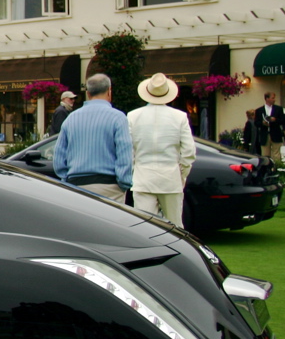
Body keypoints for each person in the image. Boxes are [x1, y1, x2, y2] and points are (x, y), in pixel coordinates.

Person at [126, 73, 196, 226]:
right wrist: (181, 174)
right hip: (170, 179)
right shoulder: (179, 117)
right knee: (175, 227)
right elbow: (189, 152)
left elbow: (129, 151)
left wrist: (133, 171)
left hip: (143, 178)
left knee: (144, 227)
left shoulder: (133, 116)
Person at [53, 73, 133, 203]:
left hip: (76, 184)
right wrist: (124, 183)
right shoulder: (118, 118)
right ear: (109, 91)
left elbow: (59, 157)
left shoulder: (71, 118)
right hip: (109, 185)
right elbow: (124, 154)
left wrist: (66, 179)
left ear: (88, 93)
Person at [255, 92, 285, 159]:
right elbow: (256, 123)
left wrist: (275, 120)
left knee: (276, 154)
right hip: (264, 135)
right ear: (267, 99)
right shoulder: (259, 110)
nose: (274, 100)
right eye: (272, 98)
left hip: (276, 134)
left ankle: (276, 165)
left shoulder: (278, 109)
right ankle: (266, 165)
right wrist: (262, 123)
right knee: (265, 155)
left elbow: (283, 120)